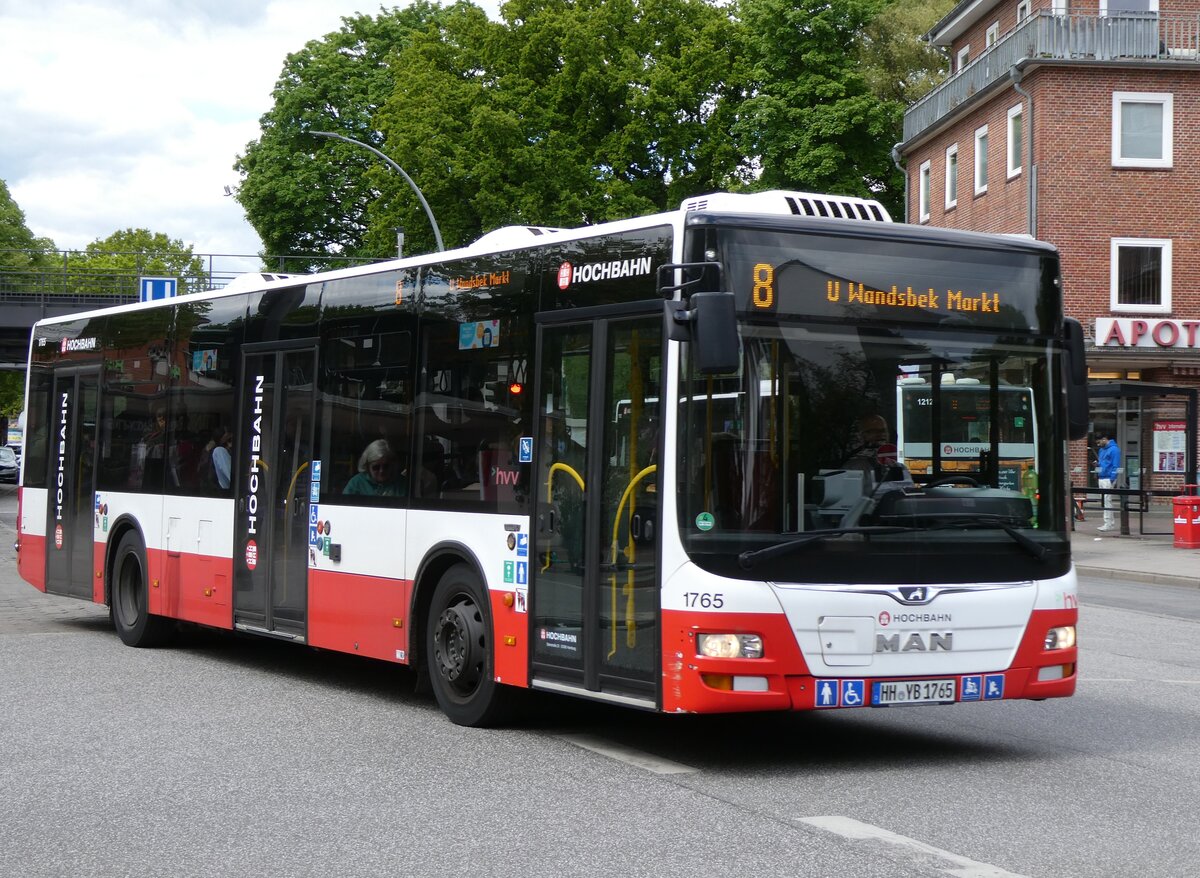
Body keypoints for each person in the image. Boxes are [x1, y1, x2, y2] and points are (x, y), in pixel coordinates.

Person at [1096, 431, 1122, 532]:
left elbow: (1116, 465)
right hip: (1102, 476)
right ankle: (1109, 523)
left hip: (1108, 478)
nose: (1098, 445)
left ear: (1104, 439)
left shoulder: (1114, 450)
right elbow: (1102, 463)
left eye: (1099, 442)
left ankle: (1108, 523)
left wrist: (1112, 478)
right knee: (1105, 501)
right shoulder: (1102, 450)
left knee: (1107, 500)